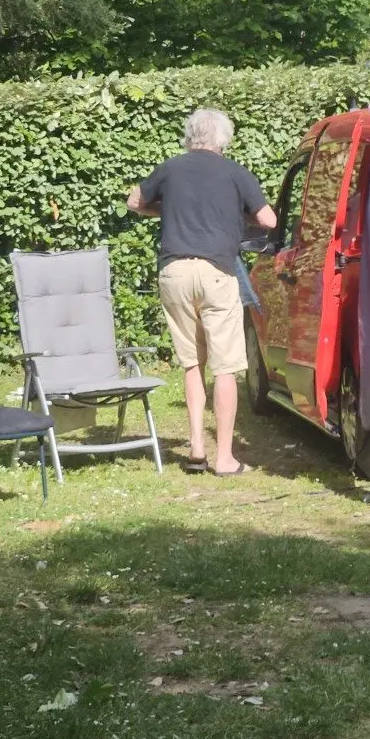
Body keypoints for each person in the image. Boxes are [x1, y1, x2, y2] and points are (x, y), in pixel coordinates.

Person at [127, 109, 277, 475]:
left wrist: (166, 211)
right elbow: (268, 220)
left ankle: (196, 448)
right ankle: (224, 458)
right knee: (225, 367)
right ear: (223, 139)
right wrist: (234, 215)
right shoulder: (235, 172)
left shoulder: (170, 167)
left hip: (174, 272)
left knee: (193, 362)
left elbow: (134, 202)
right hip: (216, 272)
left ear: (190, 135)